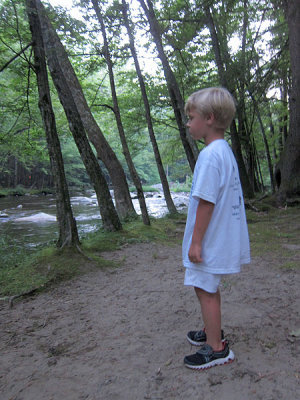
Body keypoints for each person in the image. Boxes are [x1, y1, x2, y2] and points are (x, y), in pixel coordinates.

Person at [182, 87, 251, 370]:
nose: (188, 123)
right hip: (221, 236)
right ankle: (213, 332)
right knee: (207, 286)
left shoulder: (210, 156)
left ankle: (216, 349)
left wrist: (196, 241)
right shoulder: (224, 151)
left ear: (209, 118)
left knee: (204, 288)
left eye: (191, 117)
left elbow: (207, 202)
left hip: (211, 239)